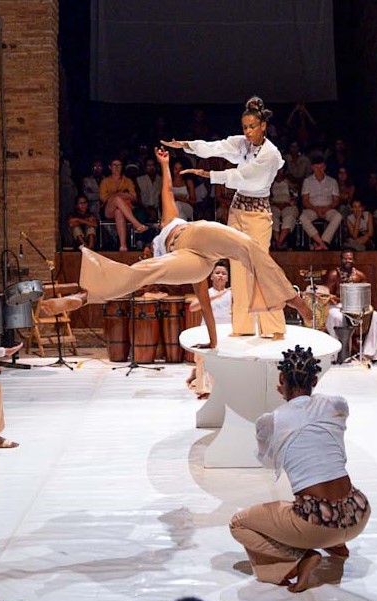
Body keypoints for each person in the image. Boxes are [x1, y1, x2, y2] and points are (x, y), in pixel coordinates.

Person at [80, 147, 313, 350]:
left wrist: (165, 164)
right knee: (140, 272)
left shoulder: (166, 224)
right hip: (188, 258)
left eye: (148, 248)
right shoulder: (171, 262)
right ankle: (84, 297)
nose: (148, 249)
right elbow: (205, 305)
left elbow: (168, 192)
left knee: (248, 245)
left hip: (193, 235)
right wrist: (213, 341)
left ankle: (293, 298)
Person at [230, 345, 370, 592]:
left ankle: (298, 559)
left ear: (281, 380)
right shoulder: (336, 405)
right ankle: (337, 542)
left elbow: (269, 463)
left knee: (239, 523)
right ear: (315, 380)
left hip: (316, 522)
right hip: (358, 512)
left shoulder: (270, 421)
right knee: (321, 488)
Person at [164, 96, 287, 339]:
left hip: (259, 214)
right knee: (238, 267)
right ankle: (241, 326)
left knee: (260, 266)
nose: (248, 132)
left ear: (263, 126)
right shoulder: (243, 144)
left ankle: (273, 326)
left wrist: (208, 174)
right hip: (237, 209)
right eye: (245, 127)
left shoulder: (270, 154)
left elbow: (245, 176)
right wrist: (187, 145)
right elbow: (217, 146)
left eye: (252, 127)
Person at [322, 250, 377, 363]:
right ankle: (338, 353)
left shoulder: (360, 276)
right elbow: (326, 294)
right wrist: (335, 298)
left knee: (375, 315)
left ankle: (371, 353)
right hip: (338, 306)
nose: (348, 261)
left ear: (353, 260)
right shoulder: (334, 275)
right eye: (345, 258)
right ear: (341, 260)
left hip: (357, 305)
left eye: (350, 258)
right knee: (337, 317)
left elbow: (365, 293)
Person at [186, 262, 232, 399]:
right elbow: (192, 307)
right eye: (217, 273)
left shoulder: (232, 293)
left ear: (227, 278)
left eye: (224, 274)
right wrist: (216, 296)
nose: (220, 276)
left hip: (226, 331)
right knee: (205, 359)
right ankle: (205, 388)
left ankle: (221, 387)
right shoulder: (206, 293)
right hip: (207, 330)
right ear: (211, 276)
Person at [99, 158, 149, 251]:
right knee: (117, 199)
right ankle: (136, 224)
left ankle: (123, 245)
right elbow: (103, 198)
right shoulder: (105, 181)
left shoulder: (128, 181)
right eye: (114, 165)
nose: (117, 168)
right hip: (109, 209)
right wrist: (120, 195)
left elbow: (134, 197)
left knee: (119, 211)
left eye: (119, 165)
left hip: (125, 209)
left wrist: (119, 195)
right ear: (110, 167)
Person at [299, 154, 342, 251]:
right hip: (312, 208)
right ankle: (320, 242)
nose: (319, 169)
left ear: (325, 167)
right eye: (316, 167)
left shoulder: (332, 181)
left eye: (321, 167)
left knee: (338, 216)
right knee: (303, 217)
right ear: (312, 167)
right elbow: (305, 201)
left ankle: (324, 241)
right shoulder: (307, 181)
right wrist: (316, 209)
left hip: (328, 208)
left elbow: (336, 200)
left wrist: (326, 208)